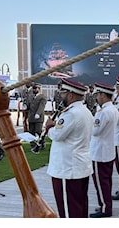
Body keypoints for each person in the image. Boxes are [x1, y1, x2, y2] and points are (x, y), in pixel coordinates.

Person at [46, 78, 94, 218]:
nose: (61, 96)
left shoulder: (71, 114)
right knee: (80, 206)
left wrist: (49, 126)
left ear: (70, 95)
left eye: (63, 93)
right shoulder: (85, 111)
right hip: (80, 167)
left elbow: (57, 135)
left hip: (67, 170)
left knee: (68, 211)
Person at [89, 82, 119, 218]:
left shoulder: (103, 112)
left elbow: (95, 131)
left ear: (102, 95)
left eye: (98, 95)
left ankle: (105, 207)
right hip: (108, 150)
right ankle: (106, 204)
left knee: (101, 183)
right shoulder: (113, 109)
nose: (97, 98)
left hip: (99, 151)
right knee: (106, 181)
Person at [27, 83, 47, 148]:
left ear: (38, 89)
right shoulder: (31, 96)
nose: (34, 90)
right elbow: (28, 105)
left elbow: (41, 106)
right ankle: (33, 145)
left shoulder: (42, 97)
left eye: (35, 88)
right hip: (31, 117)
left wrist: (38, 113)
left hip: (39, 117)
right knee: (31, 132)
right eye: (33, 88)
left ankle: (42, 142)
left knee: (38, 131)